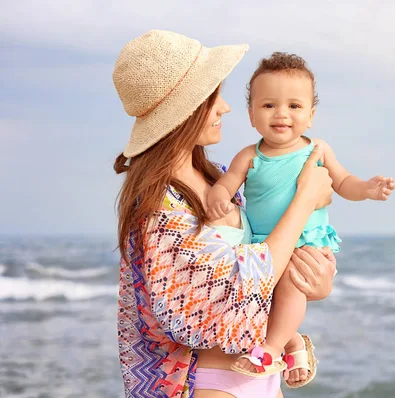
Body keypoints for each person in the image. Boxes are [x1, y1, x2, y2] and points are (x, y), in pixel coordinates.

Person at [112, 30, 336, 398]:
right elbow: (226, 300)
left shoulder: (218, 177)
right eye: (212, 96)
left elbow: (269, 267)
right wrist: (304, 198)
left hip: (263, 377)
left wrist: (313, 282)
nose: (225, 107)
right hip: (209, 384)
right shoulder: (159, 206)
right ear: (185, 110)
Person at [206, 52, 395, 386]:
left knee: (291, 286)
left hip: (307, 244)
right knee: (266, 300)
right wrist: (218, 199)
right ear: (251, 114)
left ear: (310, 115)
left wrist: (366, 188)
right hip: (265, 248)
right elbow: (224, 185)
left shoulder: (317, 150)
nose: (282, 114)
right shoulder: (249, 156)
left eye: (294, 106)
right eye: (268, 105)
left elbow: (343, 182)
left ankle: (271, 348)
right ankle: (293, 343)